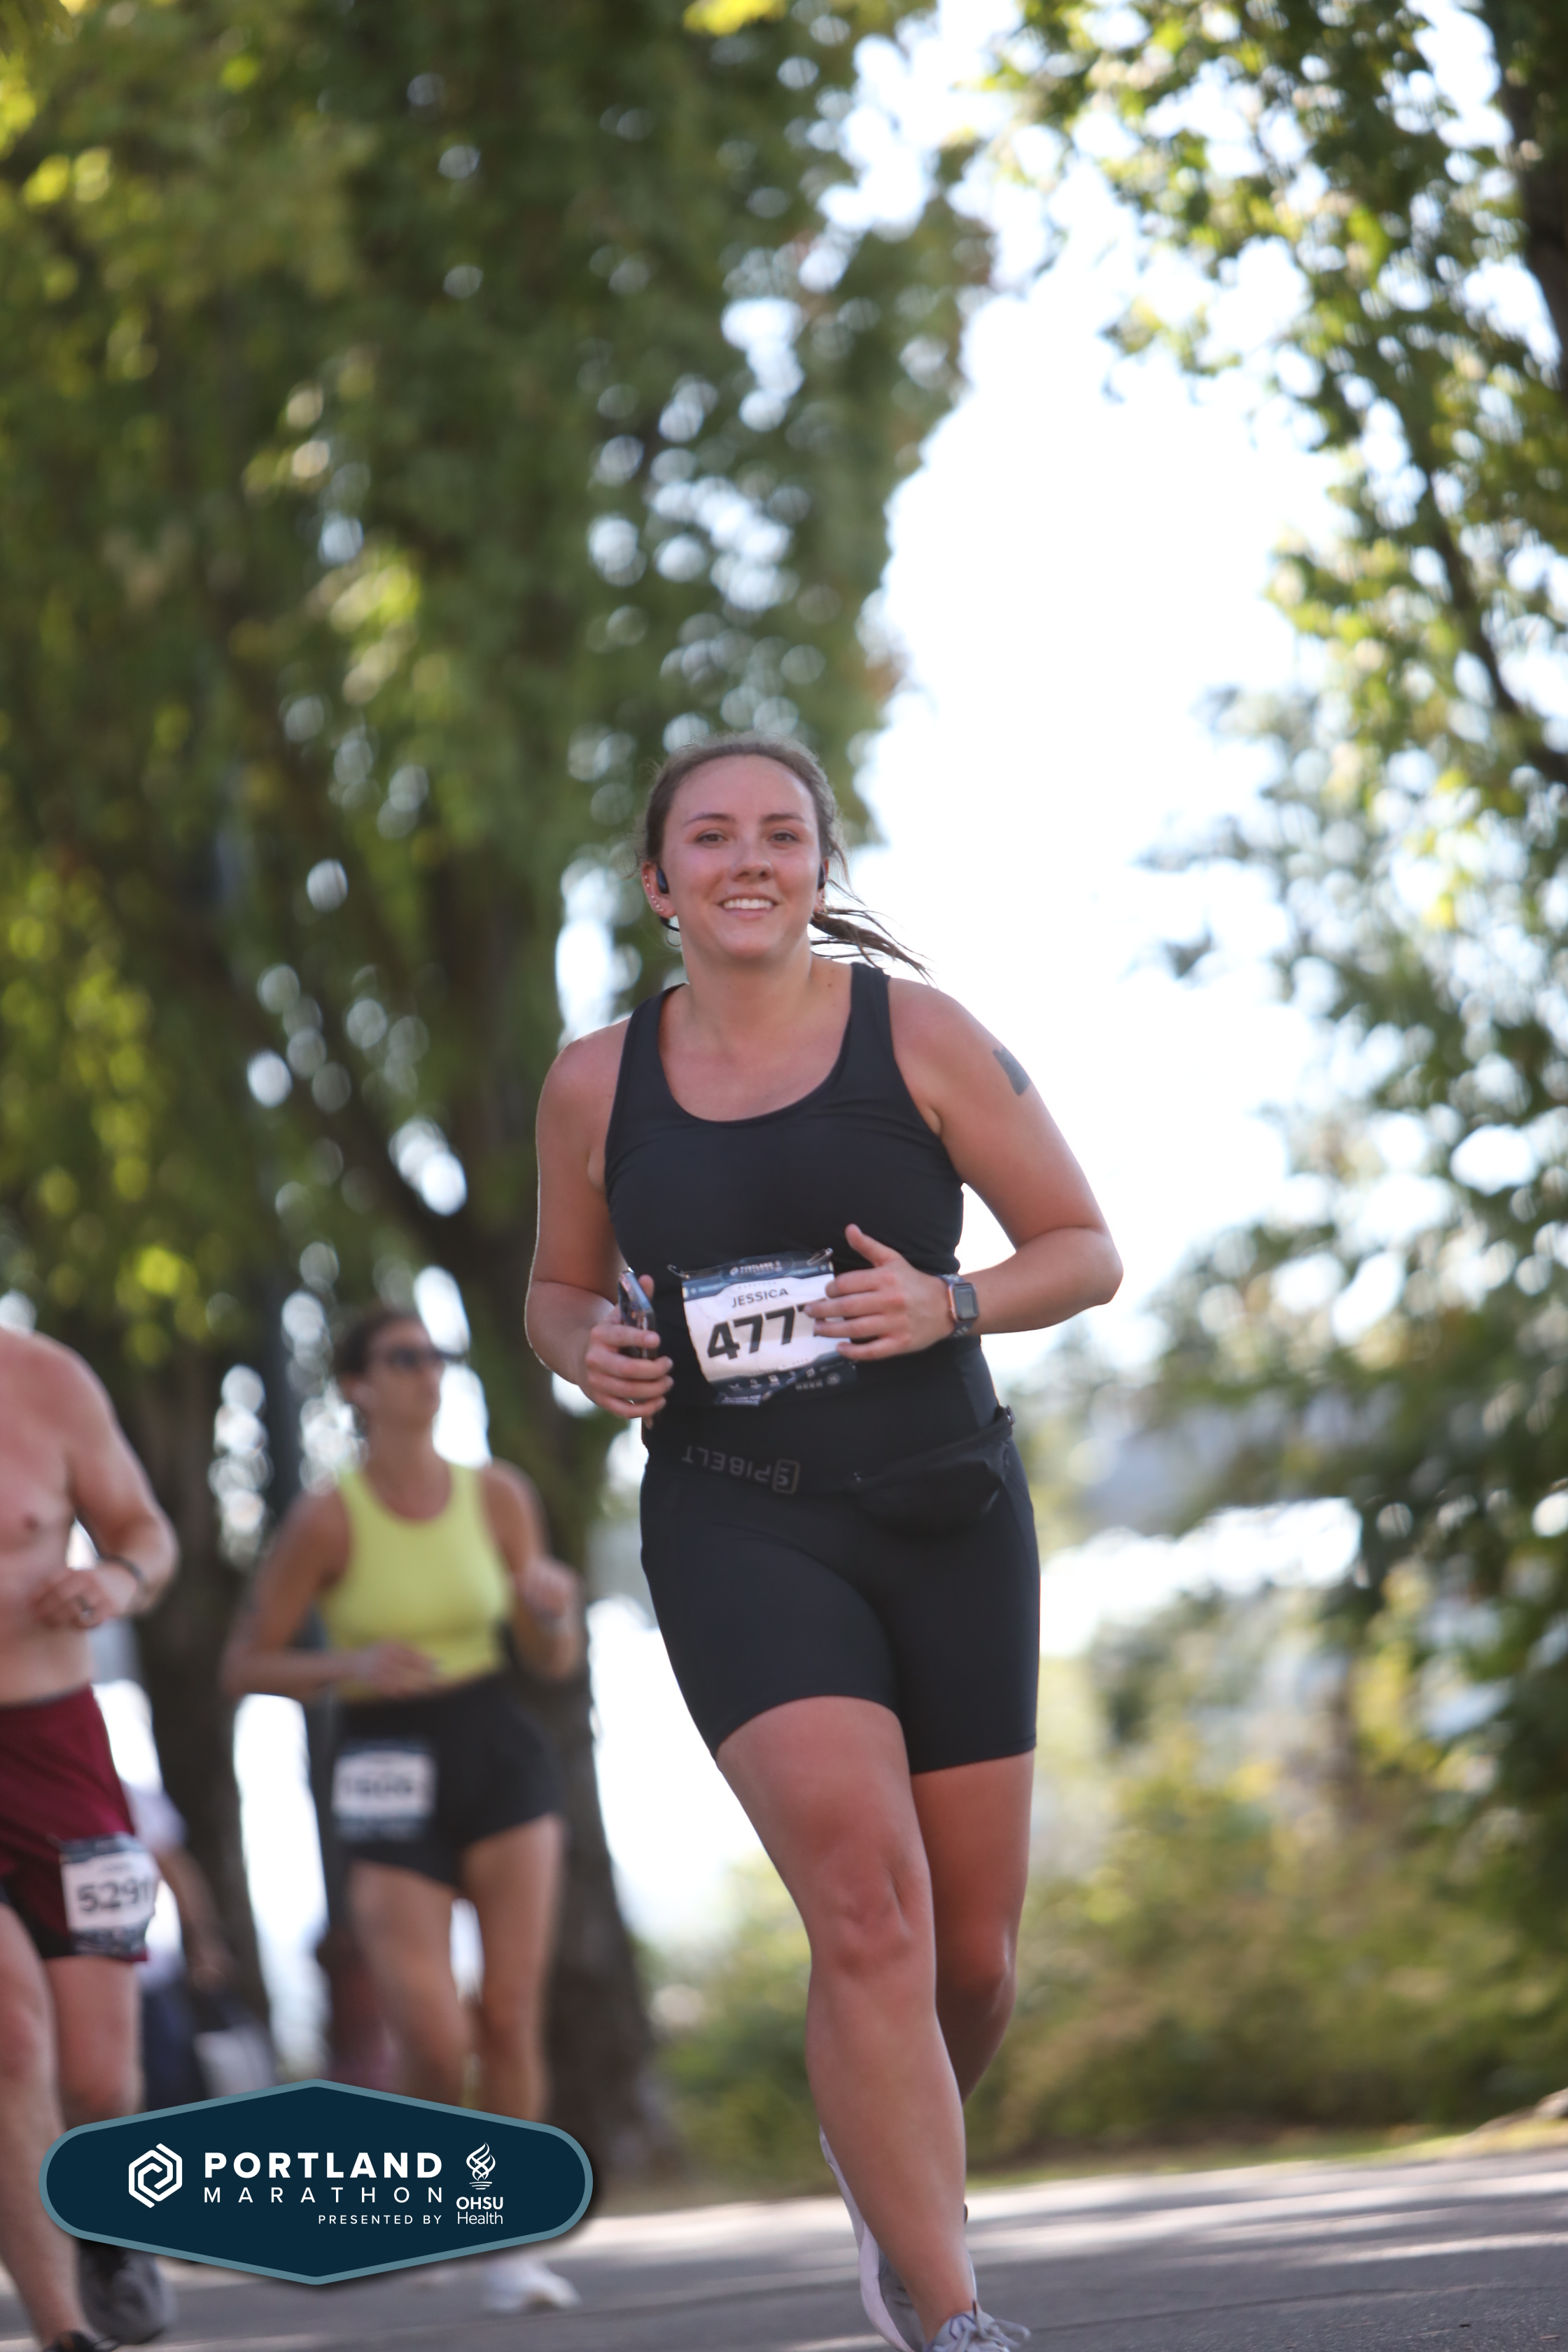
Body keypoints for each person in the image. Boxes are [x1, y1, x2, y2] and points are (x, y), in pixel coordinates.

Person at [526, 732, 1121, 2352]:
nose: (749, 860)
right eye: (711, 837)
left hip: (944, 1509)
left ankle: (880, 2151)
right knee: (867, 1910)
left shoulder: (919, 1035)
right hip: (737, 1517)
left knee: (970, 1959)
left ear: (819, 865)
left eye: (781, 834)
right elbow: (557, 1291)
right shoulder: (595, 1082)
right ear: (658, 883)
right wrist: (589, 1352)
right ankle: (951, 2307)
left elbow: (1084, 1249)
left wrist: (949, 1304)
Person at [220, 1306, 584, 2316]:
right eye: (404, 1357)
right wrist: (349, 1664)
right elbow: (246, 1663)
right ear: (357, 1386)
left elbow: (553, 1660)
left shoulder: (498, 1495)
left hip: (495, 1745)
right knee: (431, 2034)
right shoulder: (327, 1518)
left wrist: (553, 1613)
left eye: (437, 1356)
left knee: (509, 2012)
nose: (429, 1372)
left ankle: (509, 2242)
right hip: (383, 1757)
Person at [0, 1325, 179, 2352]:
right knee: (12, 2038)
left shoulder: (46, 1379)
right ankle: (63, 2329)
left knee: (101, 2081)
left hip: (59, 1747)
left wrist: (116, 1581)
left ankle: (112, 2229)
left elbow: (146, 1534)